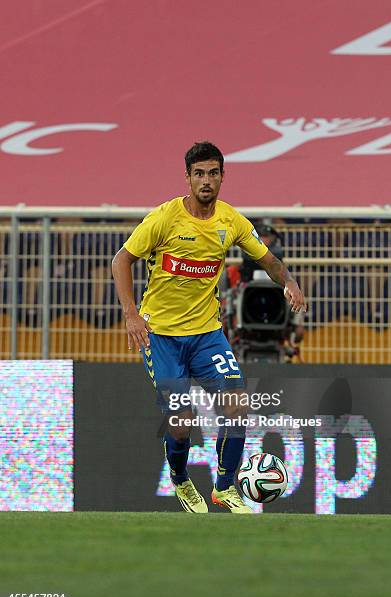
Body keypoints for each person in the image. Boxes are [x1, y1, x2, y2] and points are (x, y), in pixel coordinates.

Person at [112, 141, 306, 513]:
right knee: (181, 422)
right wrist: (130, 313)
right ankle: (181, 479)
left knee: (237, 405)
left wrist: (289, 282)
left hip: (207, 335)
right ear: (187, 178)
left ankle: (225, 486)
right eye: (199, 173)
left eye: (213, 173)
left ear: (221, 177)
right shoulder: (164, 219)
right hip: (163, 337)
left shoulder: (230, 221)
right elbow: (122, 261)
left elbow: (267, 259)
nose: (206, 180)